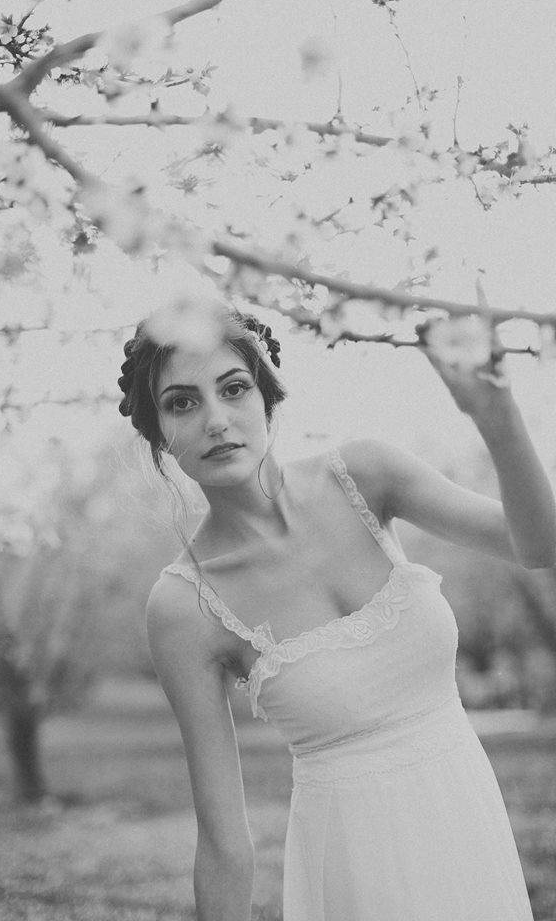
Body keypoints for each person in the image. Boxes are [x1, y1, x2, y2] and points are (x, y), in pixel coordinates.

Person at [117, 295, 555, 921]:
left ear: (267, 396)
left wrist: (497, 416)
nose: (216, 419)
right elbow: (223, 840)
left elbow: (539, 546)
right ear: (157, 432)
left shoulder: (366, 476)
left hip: (468, 828)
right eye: (182, 402)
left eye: (234, 388)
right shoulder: (184, 605)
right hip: (352, 867)